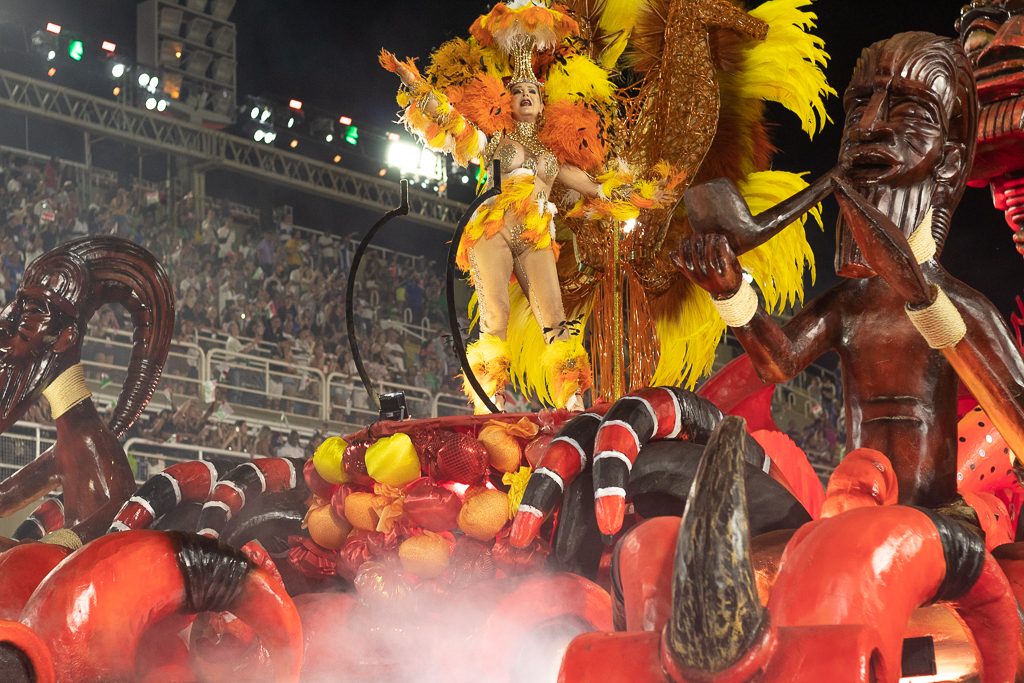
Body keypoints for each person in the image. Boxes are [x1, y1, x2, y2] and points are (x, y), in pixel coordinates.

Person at [679, 31, 1024, 510]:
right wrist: (730, 292)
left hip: (938, 524)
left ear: (946, 161)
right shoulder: (849, 306)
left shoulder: (960, 308)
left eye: (907, 109)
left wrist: (924, 300)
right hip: (853, 508)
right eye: (859, 105)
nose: (869, 125)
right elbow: (778, 363)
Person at [381, 3, 678, 413]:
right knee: (496, 317)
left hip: (535, 233)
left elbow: (598, 188)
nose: (524, 96)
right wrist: (412, 81)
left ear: (542, 104)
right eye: (517, 91)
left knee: (555, 318)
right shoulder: (497, 143)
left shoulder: (553, 161)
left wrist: (646, 195)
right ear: (510, 100)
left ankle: (572, 398)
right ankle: (490, 399)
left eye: (531, 93)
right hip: (494, 228)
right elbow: (452, 122)